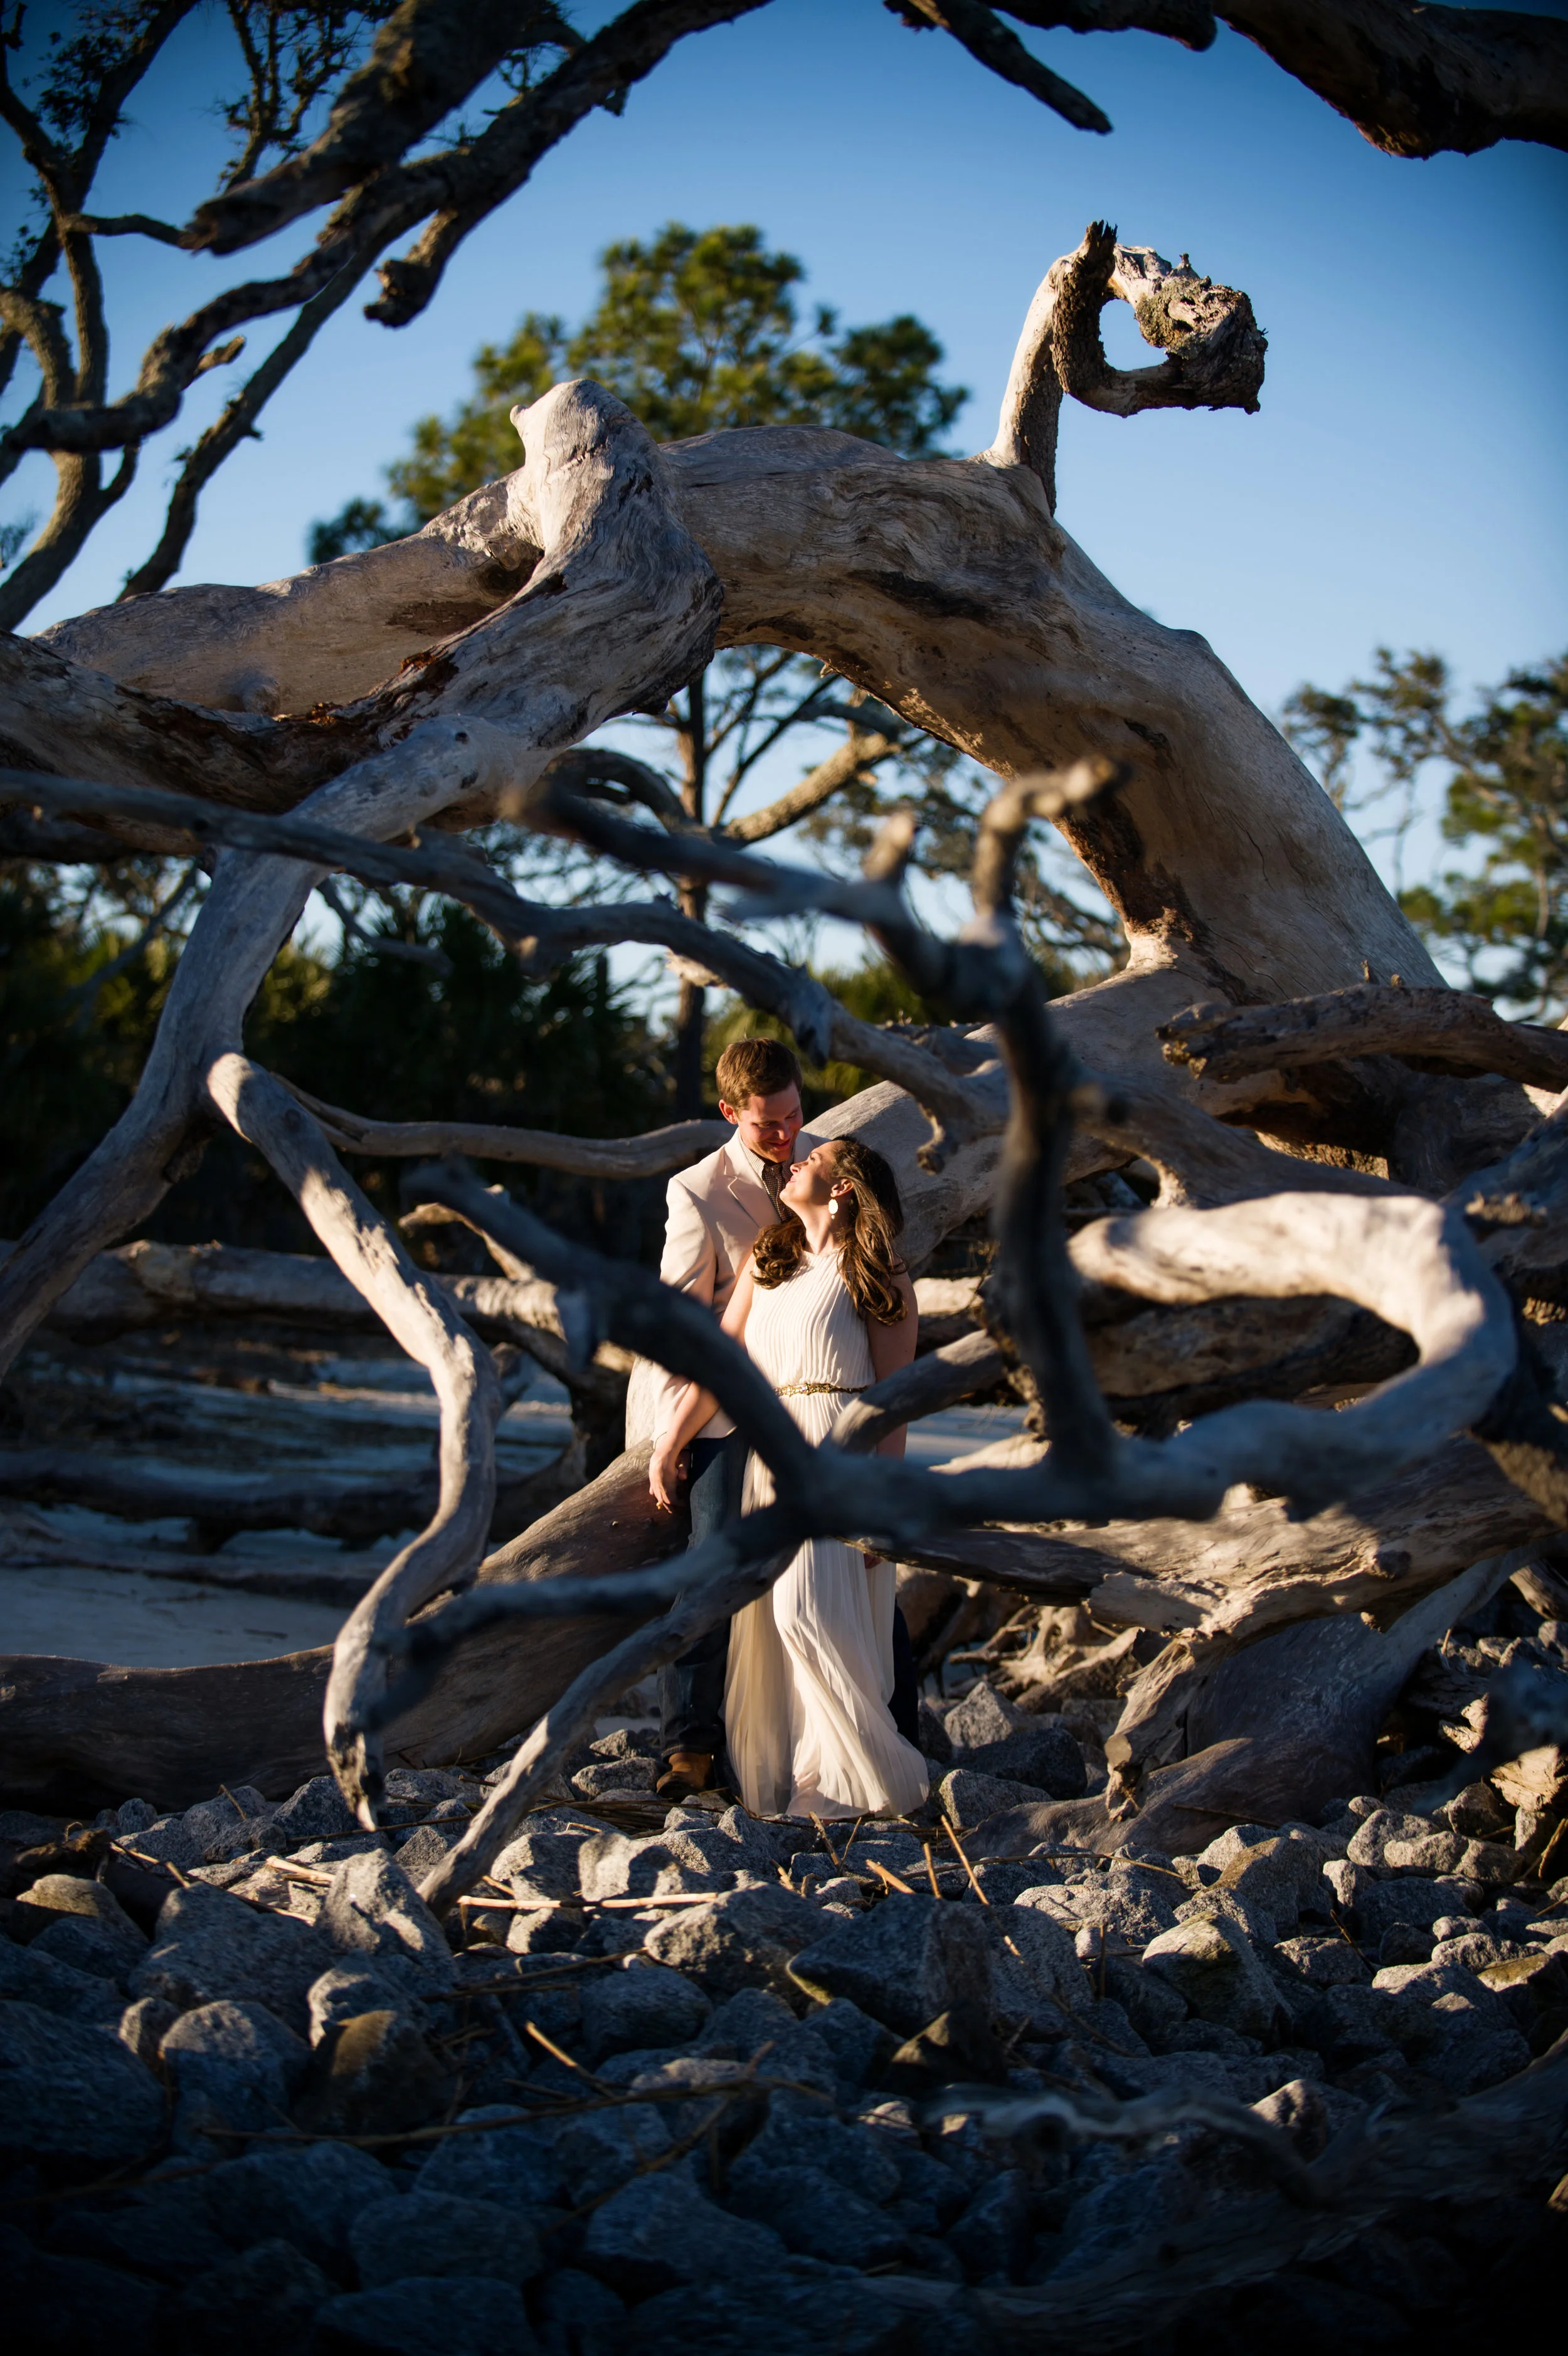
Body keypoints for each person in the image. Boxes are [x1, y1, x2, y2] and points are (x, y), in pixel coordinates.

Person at [650, 1137, 929, 1822]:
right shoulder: (766, 1260)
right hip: (773, 1453)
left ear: (841, 1188)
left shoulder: (879, 1273)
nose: (796, 1161)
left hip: (840, 1451)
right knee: (774, 1626)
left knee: (808, 1611)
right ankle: (811, 1777)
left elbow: (897, 1401)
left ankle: (874, 1771)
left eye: (814, 1160)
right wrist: (670, 1441)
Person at [647, 1037, 812, 1798]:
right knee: (712, 1562)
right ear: (727, 1114)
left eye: (792, 1116)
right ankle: (688, 1745)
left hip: (817, 1395)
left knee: (832, 1563)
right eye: (765, 1126)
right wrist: (674, 1431)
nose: (784, 1137)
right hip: (727, 1400)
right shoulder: (697, 1191)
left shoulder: (827, 1162)